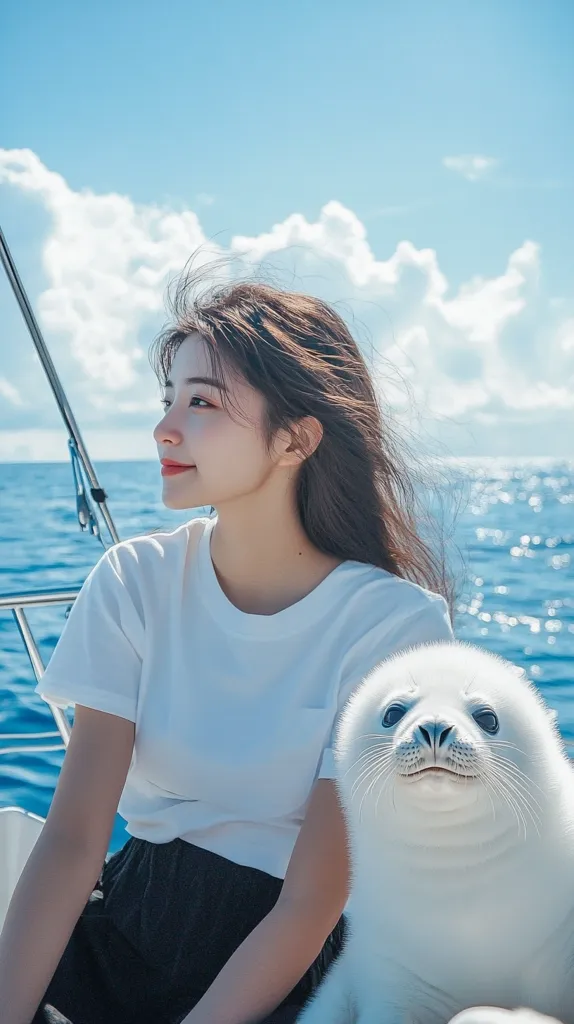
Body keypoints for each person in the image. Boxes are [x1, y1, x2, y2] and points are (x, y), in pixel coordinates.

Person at [0, 275, 454, 1024]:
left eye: (201, 402)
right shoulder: (133, 580)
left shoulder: (393, 627)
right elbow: (76, 838)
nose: (165, 429)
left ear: (295, 440)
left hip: (293, 969)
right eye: (169, 399)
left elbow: (312, 900)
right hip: (130, 926)